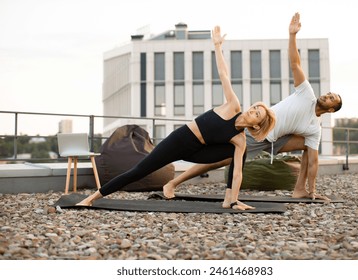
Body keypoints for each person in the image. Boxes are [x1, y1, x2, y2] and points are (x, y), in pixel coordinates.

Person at [76, 26, 276, 211]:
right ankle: (92, 197)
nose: (252, 110)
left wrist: (236, 198)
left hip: (198, 151)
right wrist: (217, 46)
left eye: (257, 113)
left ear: (257, 124)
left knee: (239, 152)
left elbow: (239, 172)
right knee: (138, 171)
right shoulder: (233, 106)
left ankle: (230, 200)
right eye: (255, 107)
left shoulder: (239, 140)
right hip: (180, 140)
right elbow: (224, 74)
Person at [162, 13, 342, 202]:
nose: (327, 95)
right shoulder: (307, 93)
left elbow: (313, 162)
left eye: (331, 98)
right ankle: (173, 183)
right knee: (223, 159)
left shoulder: (315, 128)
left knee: (309, 146)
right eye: (329, 93)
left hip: (278, 139)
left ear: (331, 110)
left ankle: (301, 190)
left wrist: (313, 191)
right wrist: (292, 35)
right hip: (259, 129)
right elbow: (295, 63)